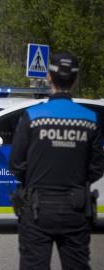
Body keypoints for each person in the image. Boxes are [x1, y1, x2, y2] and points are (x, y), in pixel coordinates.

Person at [9, 52, 103, 269]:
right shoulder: (91, 120)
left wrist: (32, 181)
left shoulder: (32, 116)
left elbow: (15, 163)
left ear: (49, 77)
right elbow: (97, 167)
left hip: (36, 208)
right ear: (76, 80)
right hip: (76, 209)